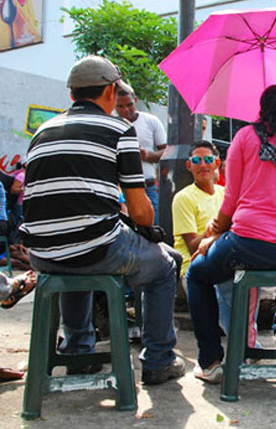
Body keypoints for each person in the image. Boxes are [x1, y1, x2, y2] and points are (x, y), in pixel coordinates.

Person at [20, 55, 184, 384]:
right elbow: (140, 212)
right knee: (165, 265)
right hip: (95, 248)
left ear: (72, 95)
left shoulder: (42, 131)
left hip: (40, 252)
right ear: (110, 92)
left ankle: (79, 351)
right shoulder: (119, 130)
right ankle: (158, 359)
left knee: (76, 252)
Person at [186, 85, 276, 384]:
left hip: (252, 245)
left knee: (197, 275)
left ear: (260, 113)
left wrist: (212, 234)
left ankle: (210, 362)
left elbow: (231, 201)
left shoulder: (244, 138)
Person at [172, 140, 258, 343]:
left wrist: (216, 235)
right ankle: (247, 346)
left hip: (223, 257)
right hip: (195, 261)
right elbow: (193, 245)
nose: (203, 165)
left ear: (217, 163)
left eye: (208, 159)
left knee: (246, 284)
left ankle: (247, 345)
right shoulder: (183, 198)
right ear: (189, 165)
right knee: (226, 289)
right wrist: (211, 233)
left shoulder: (225, 194)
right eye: (197, 160)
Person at [116, 80, 167, 224]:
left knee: (152, 232)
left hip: (148, 187)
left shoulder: (151, 121)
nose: (126, 110)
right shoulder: (112, 124)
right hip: (121, 190)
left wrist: (147, 155)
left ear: (135, 101)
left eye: (129, 105)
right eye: (120, 106)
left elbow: (167, 152)